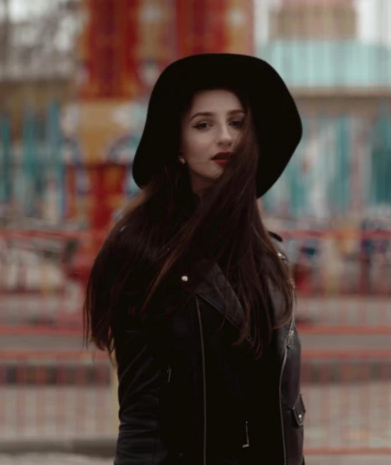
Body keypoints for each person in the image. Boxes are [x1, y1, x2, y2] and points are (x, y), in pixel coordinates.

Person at [84, 53, 305, 465]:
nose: (225, 137)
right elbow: (141, 416)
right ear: (178, 146)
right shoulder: (142, 250)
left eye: (237, 123)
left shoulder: (270, 256)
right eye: (203, 124)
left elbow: (285, 406)